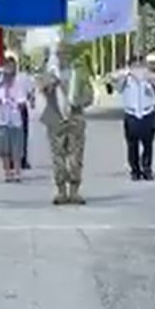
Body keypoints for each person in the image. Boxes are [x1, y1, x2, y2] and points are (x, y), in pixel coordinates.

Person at [40, 44, 94, 205]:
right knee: (58, 157)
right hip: (55, 119)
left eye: (66, 54)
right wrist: (51, 83)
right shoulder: (50, 73)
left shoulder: (79, 73)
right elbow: (42, 88)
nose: (63, 57)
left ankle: (74, 191)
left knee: (76, 156)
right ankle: (61, 191)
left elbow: (90, 96)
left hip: (75, 118)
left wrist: (78, 101)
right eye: (60, 54)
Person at [121, 55, 155, 181]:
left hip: (148, 113)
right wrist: (127, 73)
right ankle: (135, 170)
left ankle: (147, 169)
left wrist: (148, 76)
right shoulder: (126, 78)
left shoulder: (150, 77)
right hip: (131, 114)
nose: (138, 68)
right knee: (132, 145)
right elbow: (111, 78)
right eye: (135, 65)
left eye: (140, 65)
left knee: (148, 144)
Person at [0, 58, 27, 182]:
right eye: (8, 68)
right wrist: (2, 100)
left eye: (12, 68)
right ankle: (7, 173)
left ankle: (17, 173)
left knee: (16, 149)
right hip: (2, 120)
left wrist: (17, 103)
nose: (10, 71)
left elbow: (22, 100)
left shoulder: (19, 83)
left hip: (15, 121)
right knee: (4, 150)